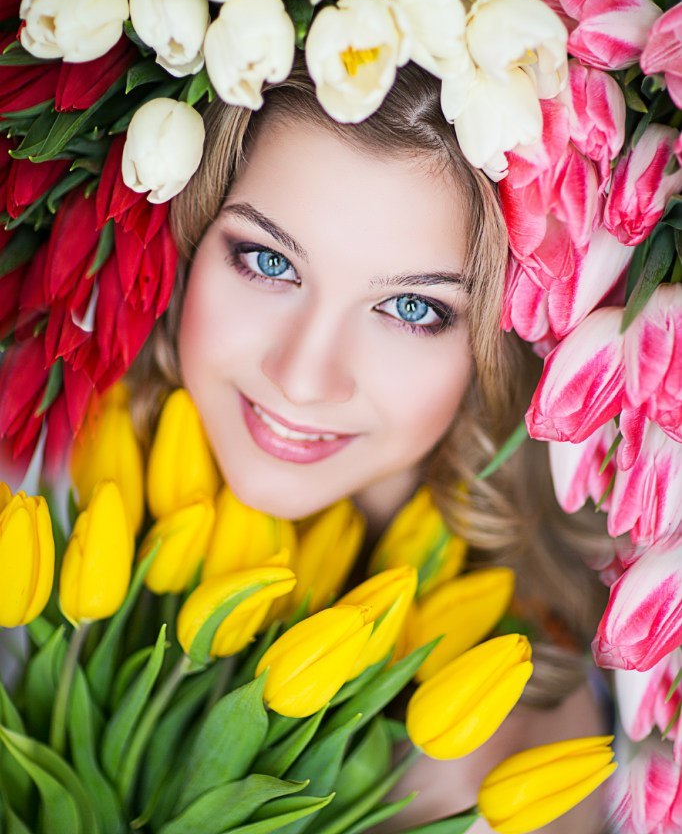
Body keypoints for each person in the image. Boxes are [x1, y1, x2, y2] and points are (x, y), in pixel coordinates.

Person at [128, 56, 614, 834]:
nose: (303, 377)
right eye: (267, 261)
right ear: (190, 238)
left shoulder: (481, 758)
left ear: (501, 343)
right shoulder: (59, 498)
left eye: (412, 308)